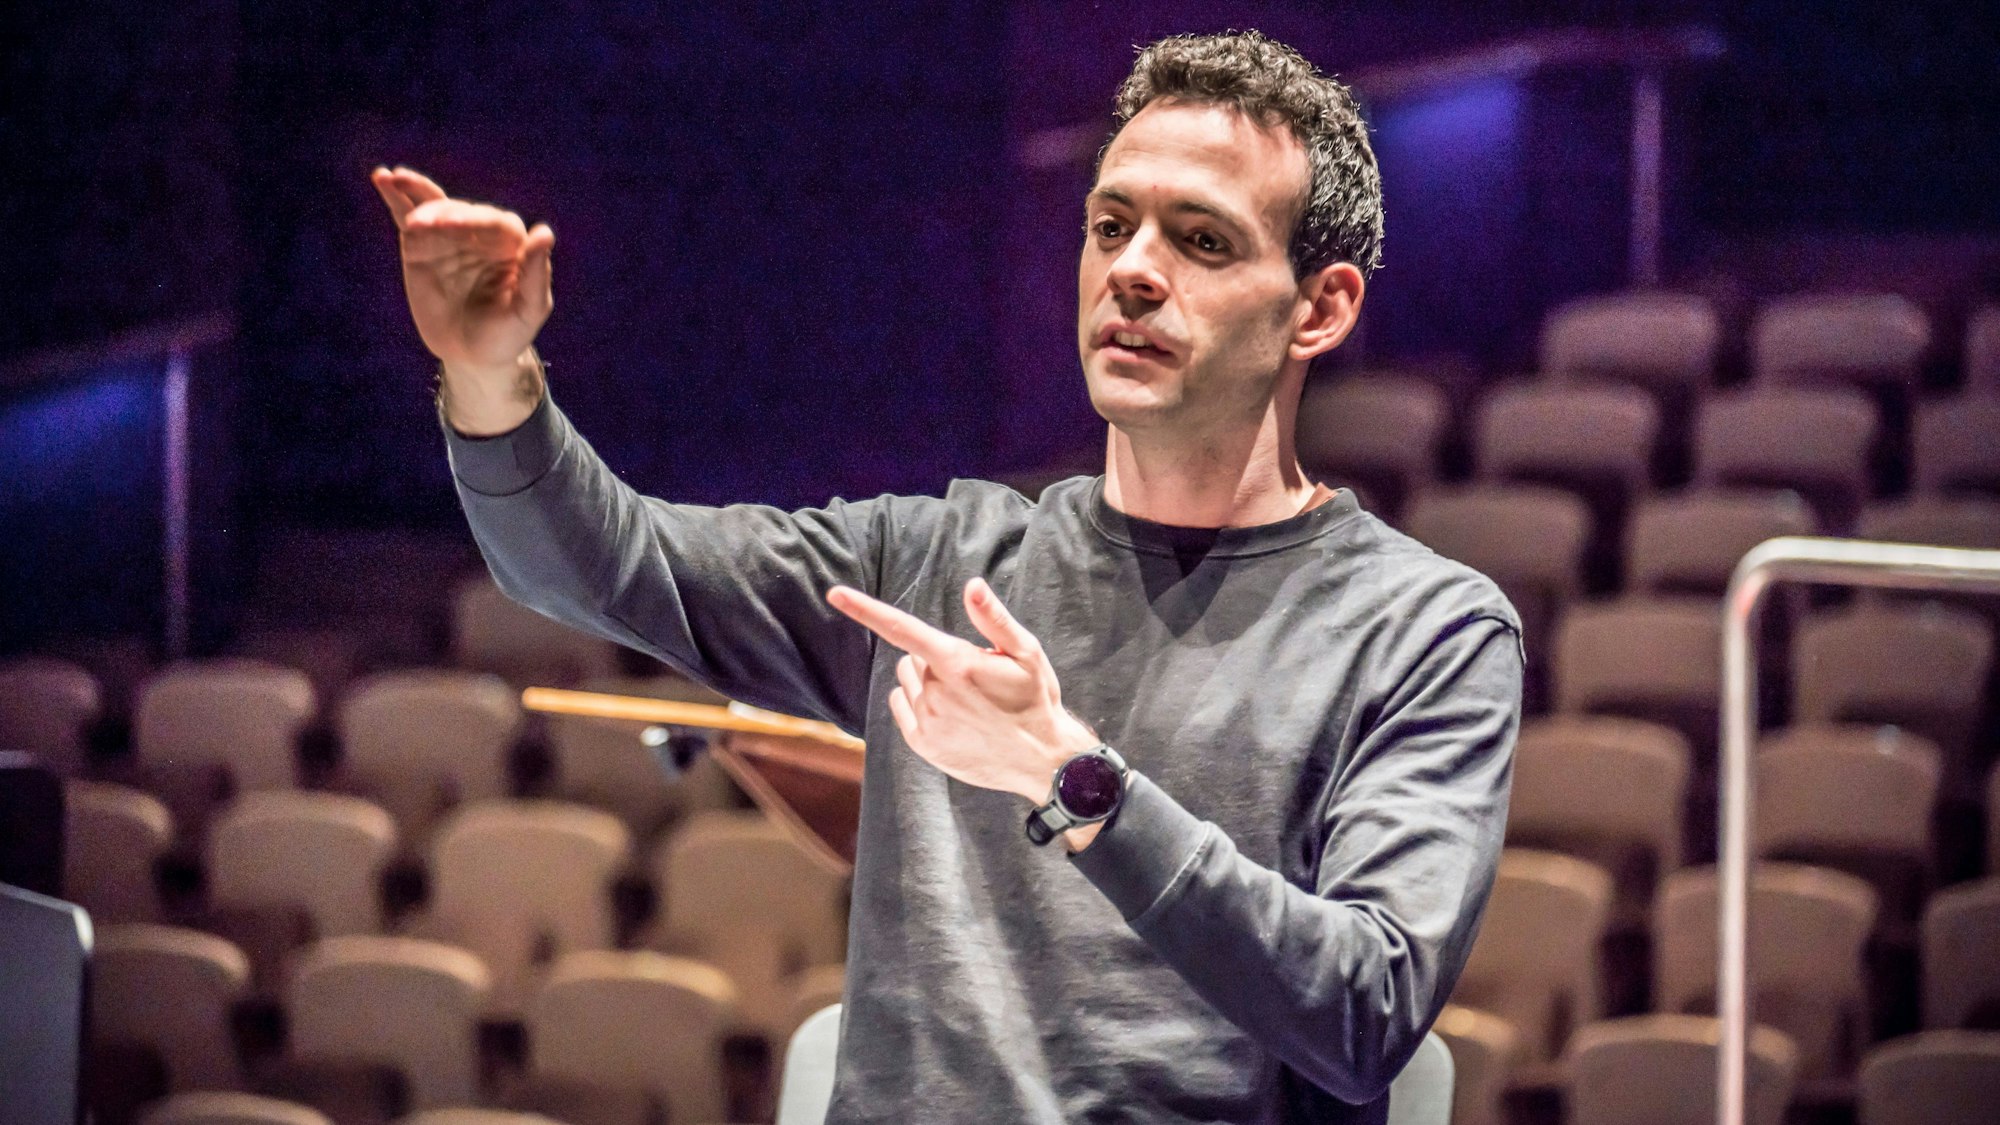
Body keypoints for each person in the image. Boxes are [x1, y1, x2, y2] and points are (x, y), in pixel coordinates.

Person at [373, 29, 1521, 1125]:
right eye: (1109, 225)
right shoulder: (935, 563)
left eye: (1200, 241)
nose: (1131, 271)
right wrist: (488, 375)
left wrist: (1077, 782)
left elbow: (1365, 1010)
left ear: (1317, 308)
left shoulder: (1425, 631)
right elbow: (597, 570)